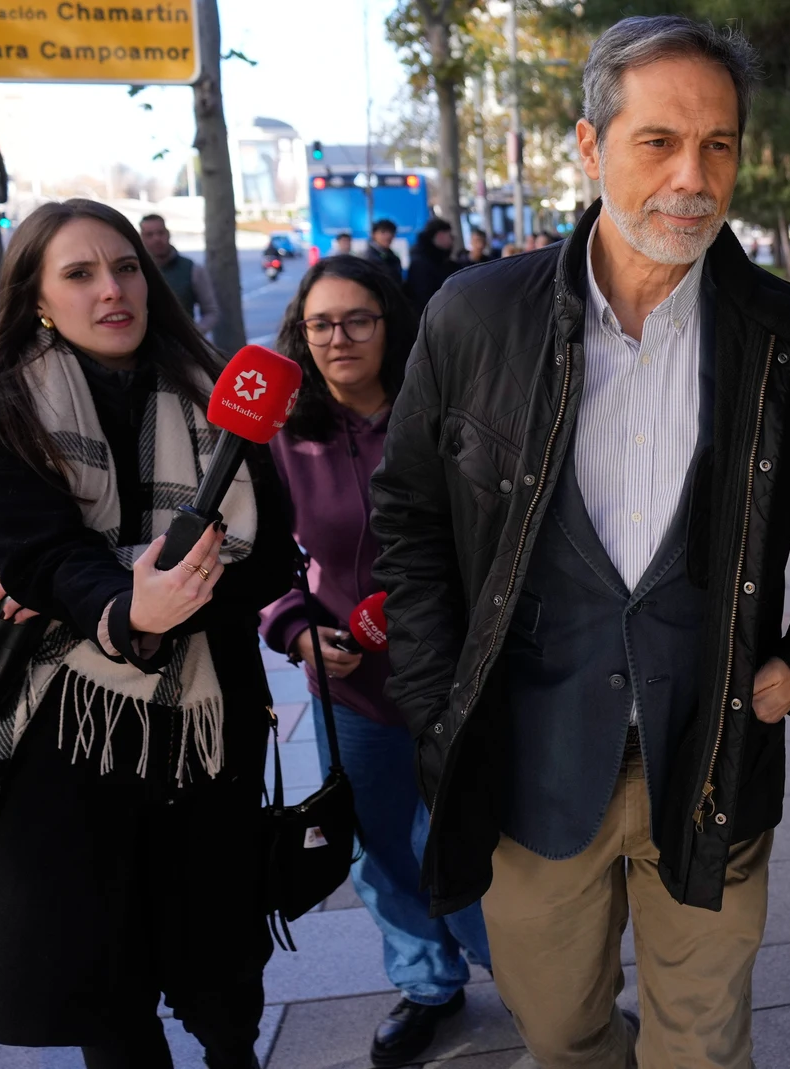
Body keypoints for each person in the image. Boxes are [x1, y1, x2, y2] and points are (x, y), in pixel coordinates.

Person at [370, 16, 790, 1067]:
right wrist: (439, 705)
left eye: (719, 145)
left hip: (712, 758)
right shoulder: (477, 318)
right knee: (560, 1036)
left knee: (700, 1047)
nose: (692, 177)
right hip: (527, 765)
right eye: (658, 141)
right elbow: (409, 521)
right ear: (588, 144)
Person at [0, 198, 295, 1068]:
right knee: (106, 984)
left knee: (222, 967)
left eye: (125, 266)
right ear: (39, 297)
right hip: (68, 730)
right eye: (80, 274)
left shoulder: (215, 390)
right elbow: (42, 554)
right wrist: (128, 610)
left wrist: (168, 601)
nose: (112, 289)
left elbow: (272, 559)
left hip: (211, 725)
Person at [257, 255, 492, 1066]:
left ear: (391, 324)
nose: (338, 337)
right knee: (382, 842)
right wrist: (292, 628)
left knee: (476, 832)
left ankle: (535, 970)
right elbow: (255, 557)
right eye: (321, 323)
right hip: (352, 684)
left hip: (459, 669)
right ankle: (429, 982)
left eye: (358, 318)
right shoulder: (285, 435)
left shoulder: (442, 412)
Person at [138, 214, 221, 338]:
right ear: (141, 238)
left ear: (168, 234)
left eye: (161, 233)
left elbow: (211, 312)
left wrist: (194, 334)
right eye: (149, 235)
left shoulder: (192, 269)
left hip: (183, 348)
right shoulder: (135, 270)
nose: (157, 239)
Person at [403, 218, 457, 310]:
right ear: (440, 236)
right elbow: (423, 297)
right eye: (450, 236)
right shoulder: (422, 263)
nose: (452, 240)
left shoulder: (438, 259)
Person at [366, 219, 404, 283]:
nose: (388, 236)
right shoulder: (367, 258)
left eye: (391, 232)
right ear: (373, 234)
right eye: (383, 232)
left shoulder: (394, 258)